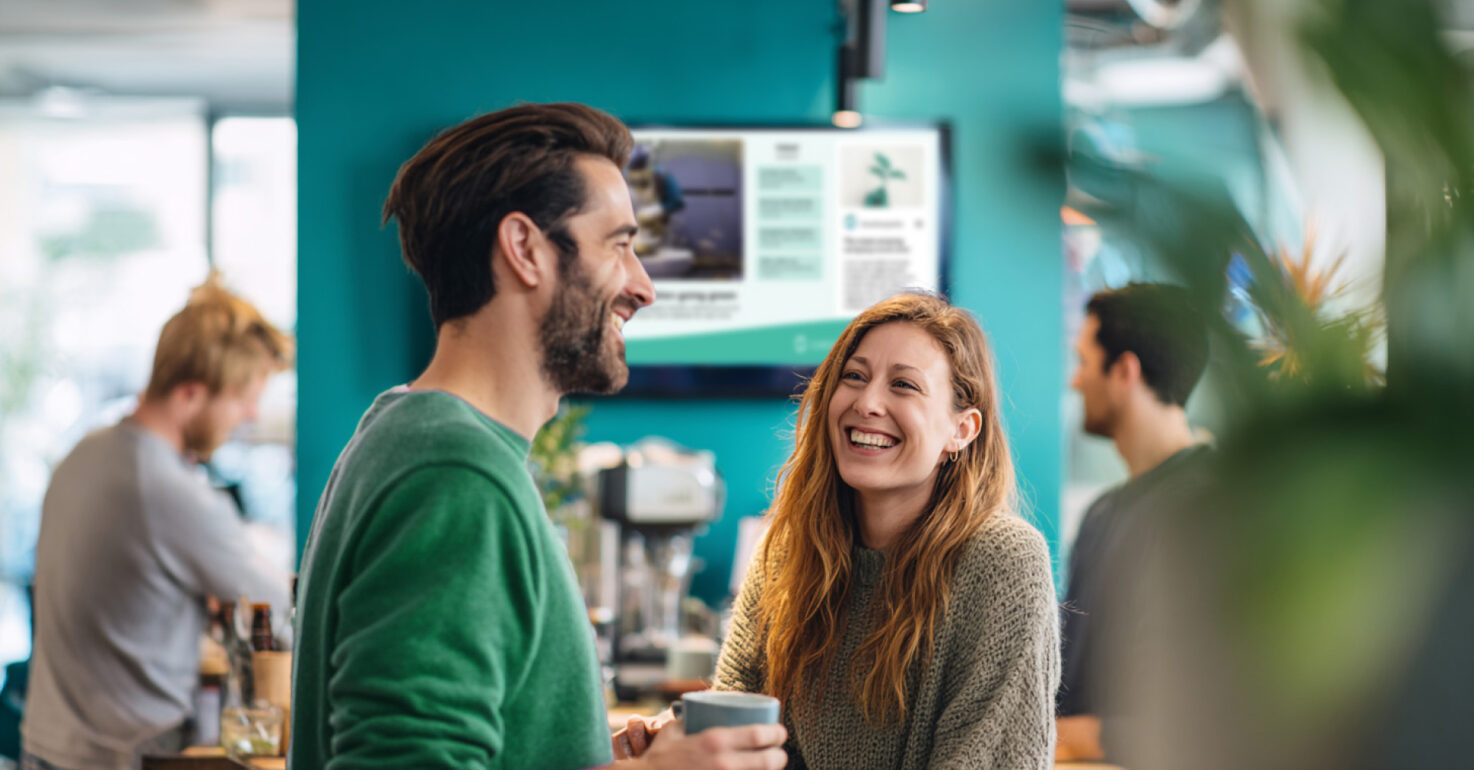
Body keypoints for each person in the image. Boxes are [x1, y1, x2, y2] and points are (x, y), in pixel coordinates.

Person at [289, 102, 787, 770]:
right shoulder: (455, 475)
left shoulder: (406, 431)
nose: (643, 287)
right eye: (619, 245)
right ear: (525, 249)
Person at [620, 292, 1060, 768]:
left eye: (904, 386)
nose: (867, 403)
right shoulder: (787, 548)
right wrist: (680, 743)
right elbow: (742, 729)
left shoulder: (1004, 561)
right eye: (854, 376)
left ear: (962, 430)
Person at [21, 276, 293, 770]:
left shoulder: (87, 452)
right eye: (241, 399)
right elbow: (283, 606)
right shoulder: (162, 485)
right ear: (191, 392)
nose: (250, 415)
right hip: (118, 756)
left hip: (50, 745)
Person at [1056, 282, 1213, 762]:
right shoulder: (1102, 514)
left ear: (1124, 371)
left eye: (1083, 362)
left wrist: (1065, 738)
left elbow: (1200, 720)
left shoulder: (1209, 510)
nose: (1074, 381)